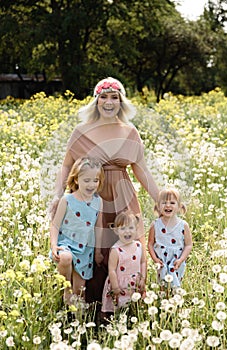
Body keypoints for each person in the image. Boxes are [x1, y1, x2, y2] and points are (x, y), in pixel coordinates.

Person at [50, 76, 159, 304]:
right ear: (96, 101)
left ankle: (127, 301)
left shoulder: (130, 131)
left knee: (128, 242)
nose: (109, 102)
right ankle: (90, 302)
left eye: (114, 97)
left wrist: (160, 198)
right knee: (94, 247)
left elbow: (142, 170)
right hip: (93, 196)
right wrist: (57, 195)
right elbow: (67, 165)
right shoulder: (82, 130)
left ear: (121, 102)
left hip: (123, 195)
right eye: (104, 97)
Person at [49, 157, 104, 304]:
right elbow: (55, 225)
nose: (91, 184)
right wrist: (54, 245)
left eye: (95, 180)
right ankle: (66, 290)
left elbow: (98, 228)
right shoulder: (67, 200)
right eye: (86, 180)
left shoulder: (98, 201)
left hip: (85, 249)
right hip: (66, 243)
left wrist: (98, 251)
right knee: (66, 258)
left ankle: (76, 321)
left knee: (80, 293)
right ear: (77, 179)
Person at [101, 211, 146, 317]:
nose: (127, 232)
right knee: (119, 307)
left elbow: (143, 262)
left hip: (135, 282)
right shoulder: (116, 250)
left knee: (134, 306)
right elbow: (111, 269)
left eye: (131, 228)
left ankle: (134, 316)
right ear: (116, 231)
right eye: (123, 229)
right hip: (120, 283)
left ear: (136, 229)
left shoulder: (139, 246)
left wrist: (143, 278)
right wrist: (115, 286)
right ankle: (114, 319)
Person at [148, 188, 192, 288]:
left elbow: (188, 245)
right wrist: (155, 259)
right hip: (161, 261)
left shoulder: (183, 225)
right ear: (158, 206)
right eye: (164, 203)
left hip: (176, 261)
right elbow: (150, 243)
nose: (168, 205)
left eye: (172, 202)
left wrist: (181, 259)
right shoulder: (155, 225)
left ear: (179, 206)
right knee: (162, 287)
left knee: (176, 287)